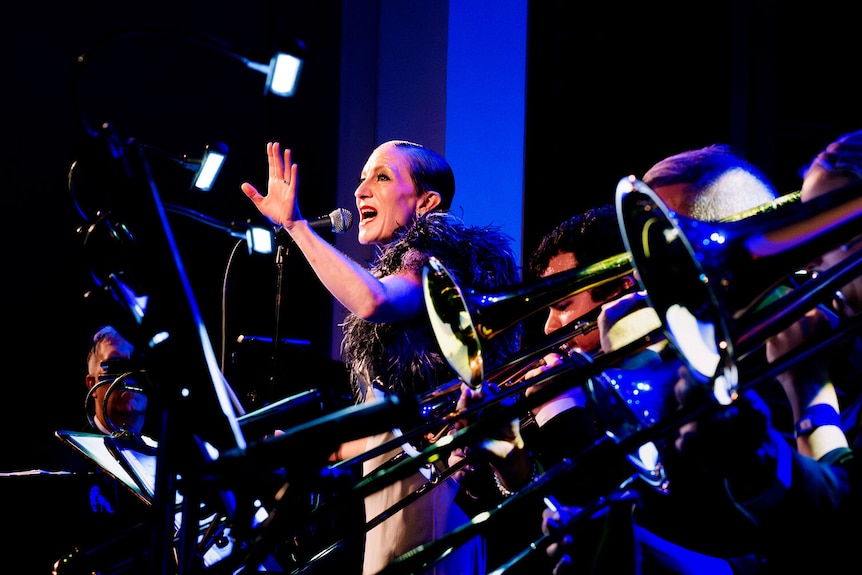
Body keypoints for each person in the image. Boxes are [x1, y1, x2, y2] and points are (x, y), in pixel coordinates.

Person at [543, 136, 862, 574]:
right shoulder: (720, 348)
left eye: (834, 229)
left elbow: (765, 536)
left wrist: (808, 395)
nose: (640, 272)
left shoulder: (812, 350)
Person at [240, 140, 521, 575]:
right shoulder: (406, 285)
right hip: (399, 500)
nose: (361, 190)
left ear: (427, 201)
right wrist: (321, 450)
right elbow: (395, 428)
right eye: (362, 179)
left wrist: (296, 226)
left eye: (382, 177)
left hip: (433, 499)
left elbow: (372, 301)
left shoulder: (438, 256)